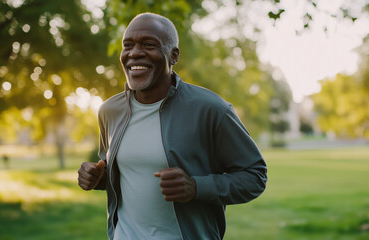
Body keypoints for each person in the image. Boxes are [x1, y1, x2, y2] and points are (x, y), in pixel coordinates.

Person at [78, 12, 267, 240]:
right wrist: (97, 178)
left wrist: (196, 187)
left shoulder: (211, 109)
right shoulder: (109, 111)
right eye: (127, 45)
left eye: (149, 44)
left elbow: (255, 176)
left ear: (173, 55)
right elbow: (122, 173)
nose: (135, 53)